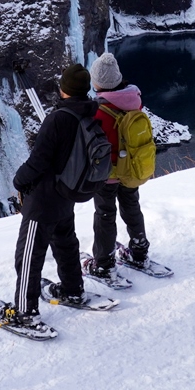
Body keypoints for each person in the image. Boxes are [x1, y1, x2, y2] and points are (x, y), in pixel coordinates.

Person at [0, 63, 95, 330]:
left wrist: (19, 180)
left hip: (43, 199)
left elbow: (39, 160)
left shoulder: (58, 118)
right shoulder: (89, 112)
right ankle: (73, 289)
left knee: (29, 254)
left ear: (64, 89)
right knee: (65, 243)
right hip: (66, 193)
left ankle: (25, 311)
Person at [86, 52, 152, 280]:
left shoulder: (97, 111)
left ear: (98, 83)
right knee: (132, 208)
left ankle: (103, 264)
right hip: (131, 171)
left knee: (105, 215)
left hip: (107, 175)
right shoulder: (134, 101)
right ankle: (140, 251)